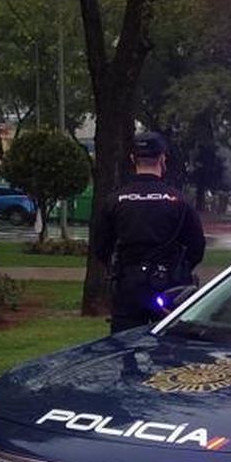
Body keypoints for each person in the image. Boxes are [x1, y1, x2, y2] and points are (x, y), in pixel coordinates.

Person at [91, 131, 206, 333]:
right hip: (169, 286)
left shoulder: (115, 200)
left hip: (128, 285)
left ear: (133, 159)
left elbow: (100, 247)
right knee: (167, 349)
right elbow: (197, 246)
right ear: (162, 158)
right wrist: (181, 268)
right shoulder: (178, 201)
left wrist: (117, 267)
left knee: (125, 348)